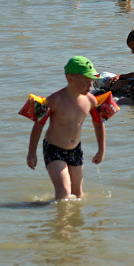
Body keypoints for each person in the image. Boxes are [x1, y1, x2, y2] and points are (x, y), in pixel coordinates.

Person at [25, 56, 107, 200]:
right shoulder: (54, 100)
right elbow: (38, 125)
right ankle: (61, 222)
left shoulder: (90, 100)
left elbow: (99, 124)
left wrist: (101, 150)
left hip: (75, 149)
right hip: (54, 149)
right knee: (63, 192)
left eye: (92, 81)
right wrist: (32, 153)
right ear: (70, 79)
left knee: (78, 194)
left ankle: (74, 221)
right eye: (86, 81)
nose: (90, 86)